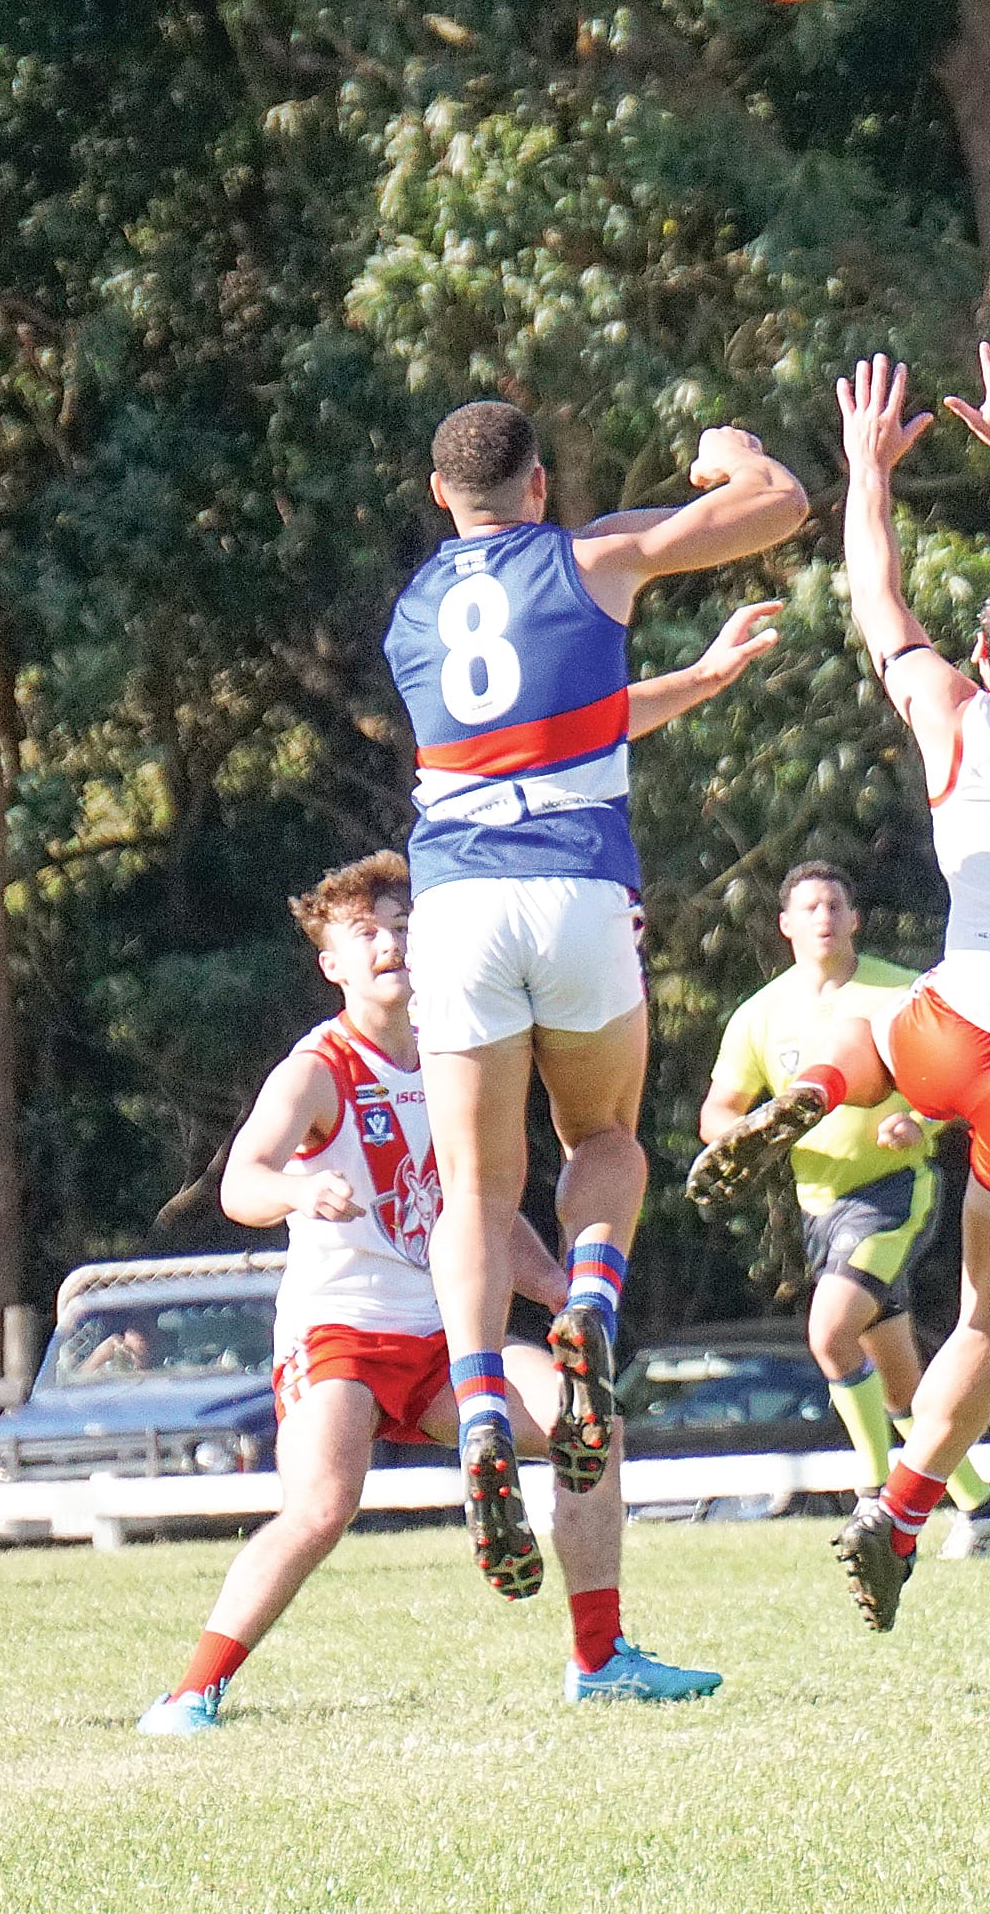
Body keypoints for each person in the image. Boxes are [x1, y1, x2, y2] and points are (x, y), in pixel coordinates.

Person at [138, 621, 774, 1737]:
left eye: (400, 925)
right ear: (330, 963)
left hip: (446, 1339)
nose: (389, 943)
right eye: (363, 935)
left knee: (590, 1421)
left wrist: (557, 1300)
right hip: (341, 1329)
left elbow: (482, 1217)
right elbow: (241, 1179)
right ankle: (192, 1690)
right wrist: (302, 1192)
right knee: (324, 1504)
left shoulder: (463, 1047)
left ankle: (599, 1655)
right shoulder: (318, 1067)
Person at [688, 340, 990, 1630]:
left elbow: (875, 595)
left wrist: (865, 473)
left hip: (953, 1032)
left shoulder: (952, 709)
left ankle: (820, 1087)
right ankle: (898, 1515)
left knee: (864, 1016)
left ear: (989, 654)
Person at [383, 399, 807, 1594]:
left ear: (438, 494)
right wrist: (733, 456)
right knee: (605, 1135)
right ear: (541, 483)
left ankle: (477, 1404)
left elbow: (554, 725)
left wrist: (701, 680)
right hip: (574, 884)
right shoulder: (591, 552)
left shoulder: (413, 612)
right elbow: (777, 506)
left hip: (457, 901)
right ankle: (590, 1297)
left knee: (474, 1183)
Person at [693, 860, 990, 1560]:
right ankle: (986, 1510)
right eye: (808, 906)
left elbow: (961, 1084)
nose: (823, 916)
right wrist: (742, 1137)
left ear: (855, 918)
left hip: (892, 1195)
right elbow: (718, 1110)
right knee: (902, 1392)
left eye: (835, 903)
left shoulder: (900, 992)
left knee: (829, 1331)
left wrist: (922, 1124)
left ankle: (873, 1494)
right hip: (820, 1207)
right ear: (785, 924)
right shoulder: (761, 1013)